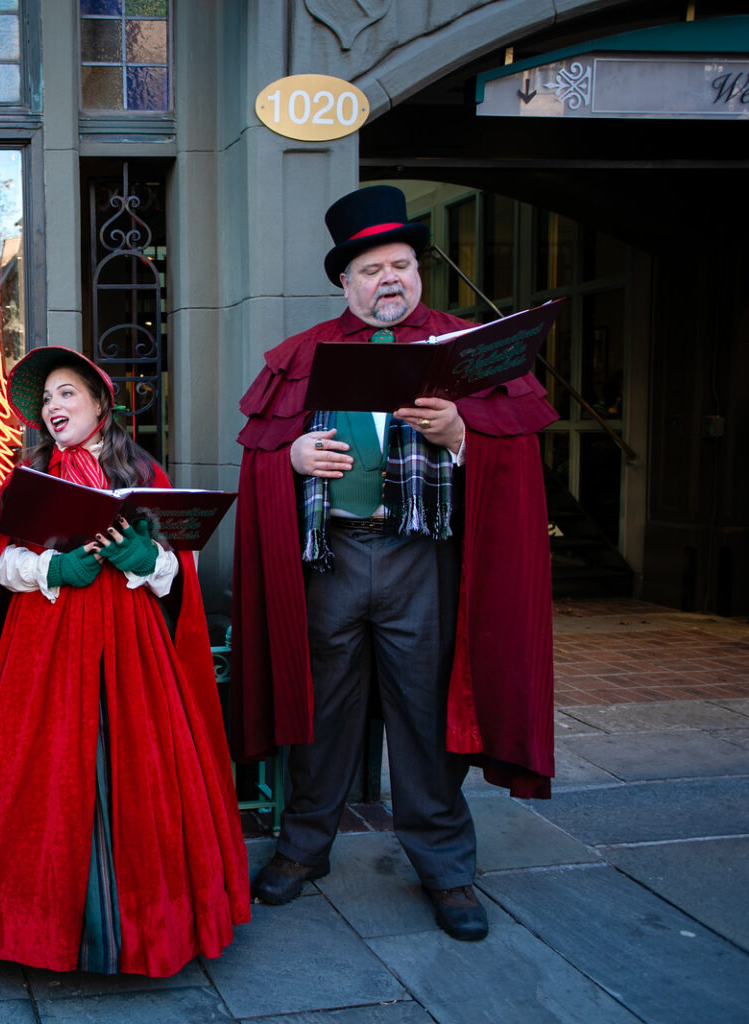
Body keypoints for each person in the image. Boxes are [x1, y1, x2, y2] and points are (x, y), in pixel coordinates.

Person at [230, 185, 557, 942]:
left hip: (423, 561)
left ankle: (445, 867)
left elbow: (517, 454)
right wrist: (293, 457)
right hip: (332, 560)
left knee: (426, 714)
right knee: (321, 716)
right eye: (371, 268)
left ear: (419, 272)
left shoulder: (466, 348)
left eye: (402, 265)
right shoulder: (304, 354)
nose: (389, 280)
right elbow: (260, 455)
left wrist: (460, 433)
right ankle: (304, 847)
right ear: (345, 283)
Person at [0, 346, 249, 978]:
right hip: (45, 648)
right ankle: (42, 928)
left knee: (135, 763)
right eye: (46, 399)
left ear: (99, 403)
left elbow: (179, 573)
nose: (53, 406)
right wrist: (49, 567)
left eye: (67, 393)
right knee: (50, 767)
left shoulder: (142, 471)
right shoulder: (27, 476)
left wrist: (149, 562)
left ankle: (143, 929)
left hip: (130, 646)